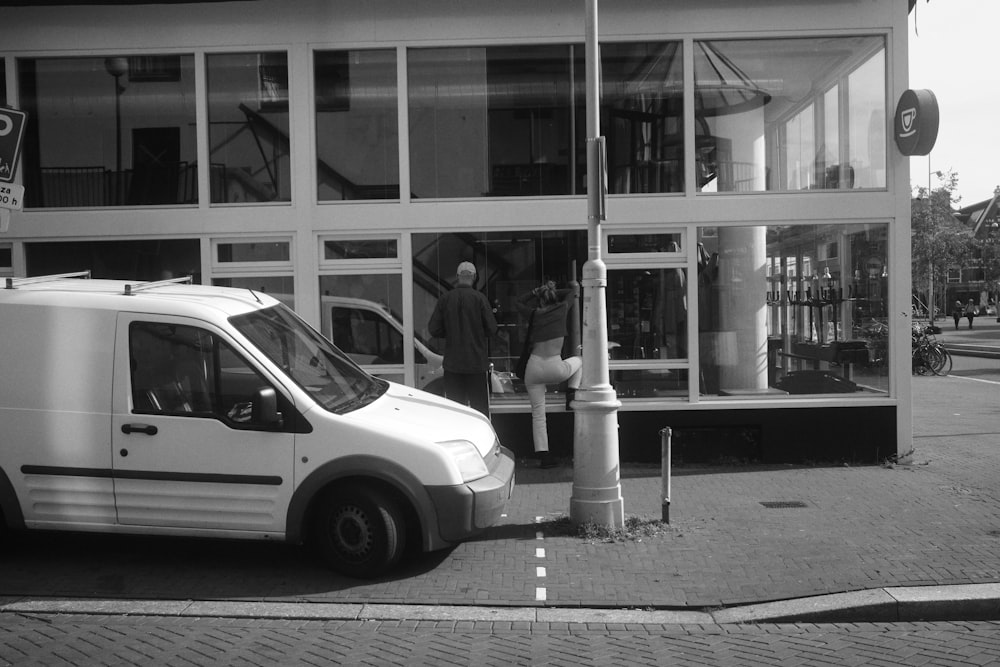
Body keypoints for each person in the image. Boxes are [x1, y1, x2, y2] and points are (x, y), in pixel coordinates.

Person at [516, 280, 582, 469]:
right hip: (555, 366)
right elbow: (572, 290)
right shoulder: (562, 308)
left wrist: (536, 291)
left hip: (534, 367)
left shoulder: (534, 314)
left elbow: (518, 303)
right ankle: (571, 393)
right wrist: (552, 290)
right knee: (581, 361)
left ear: (540, 301)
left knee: (538, 414)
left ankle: (544, 456)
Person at [428, 261, 498, 416]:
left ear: (458, 277)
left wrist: (451, 332)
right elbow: (492, 329)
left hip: (453, 365)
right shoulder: (480, 299)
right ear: (474, 277)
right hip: (476, 364)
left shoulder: (445, 299)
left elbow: (433, 329)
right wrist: (478, 332)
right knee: (479, 412)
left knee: (456, 413)